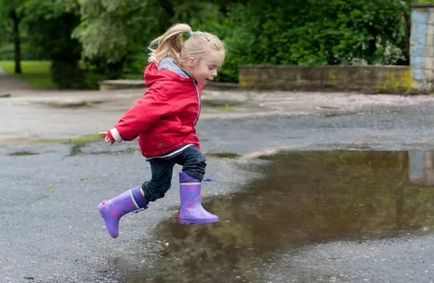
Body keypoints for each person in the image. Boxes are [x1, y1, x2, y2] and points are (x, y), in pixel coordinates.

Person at [98, 23, 226, 238]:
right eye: (211, 67)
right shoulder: (171, 84)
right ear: (192, 62)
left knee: (158, 187)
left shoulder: (187, 79)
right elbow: (145, 109)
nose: (214, 73)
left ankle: (112, 208)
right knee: (195, 160)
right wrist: (119, 131)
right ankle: (190, 210)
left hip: (165, 141)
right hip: (164, 140)